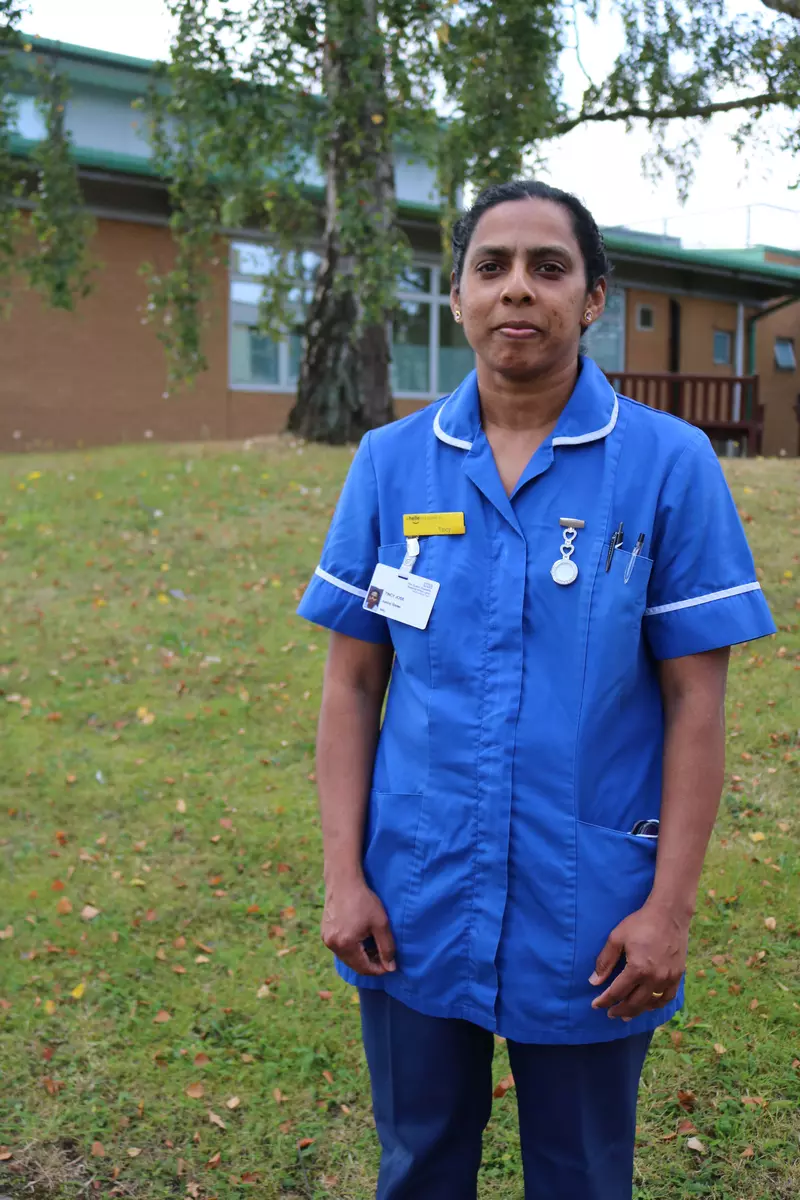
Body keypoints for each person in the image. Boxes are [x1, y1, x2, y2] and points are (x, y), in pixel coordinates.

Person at [297, 180, 776, 1200]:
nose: (518, 289)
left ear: (593, 297)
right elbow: (351, 684)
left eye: (547, 268)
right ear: (460, 295)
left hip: (591, 905)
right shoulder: (391, 467)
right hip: (412, 895)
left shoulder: (666, 467)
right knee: (419, 1158)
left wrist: (668, 913)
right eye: (491, 266)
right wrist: (344, 877)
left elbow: (696, 705)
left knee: (581, 1174)